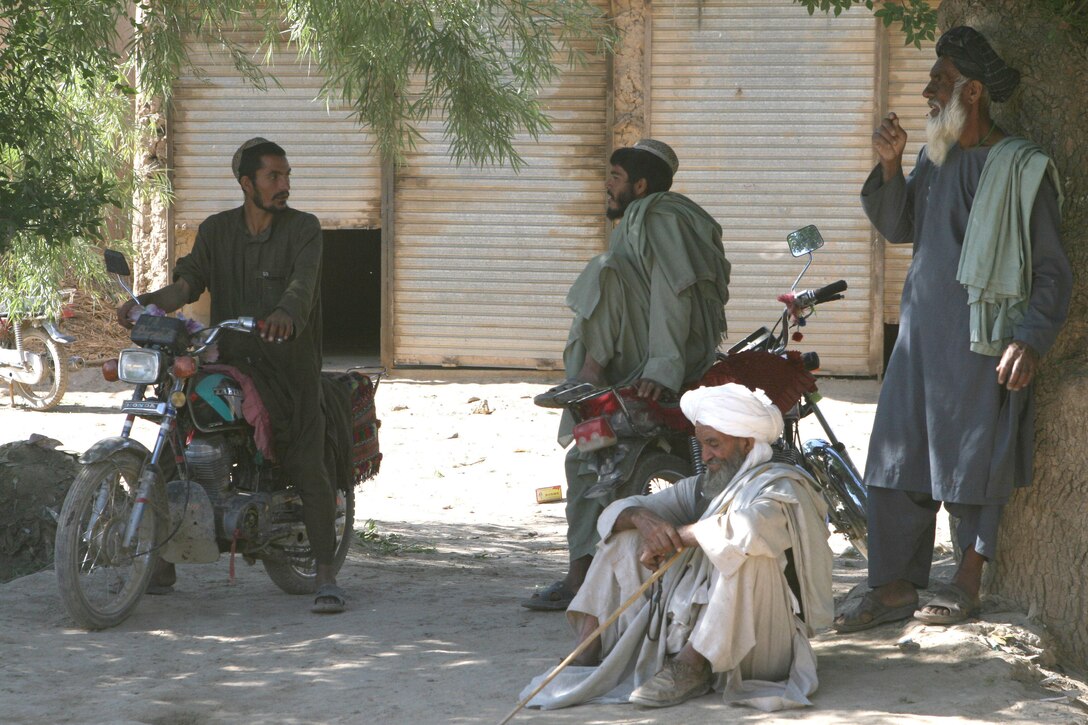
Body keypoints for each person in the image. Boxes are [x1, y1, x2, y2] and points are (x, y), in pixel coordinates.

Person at [834, 27, 1072, 632]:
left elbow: (1050, 270)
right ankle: (891, 587)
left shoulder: (1021, 169)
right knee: (896, 459)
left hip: (980, 343)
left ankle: (966, 578)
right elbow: (900, 224)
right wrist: (890, 167)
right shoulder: (933, 158)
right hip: (917, 342)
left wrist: (1030, 337)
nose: (926, 92)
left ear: (971, 91)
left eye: (938, 83)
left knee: (973, 465)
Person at [117, 138, 352, 614]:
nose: (284, 184)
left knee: (305, 459)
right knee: (176, 433)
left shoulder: (304, 229)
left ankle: (325, 572)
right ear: (247, 183)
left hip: (289, 369)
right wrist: (146, 303)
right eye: (273, 177)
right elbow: (187, 284)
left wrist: (285, 314)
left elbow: (301, 288)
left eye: (286, 176)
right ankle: (162, 560)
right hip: (228, 360)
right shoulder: (217, 231)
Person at [519, 383, 833, 711]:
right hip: (697, 626)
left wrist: (676, 538)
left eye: (714, 444)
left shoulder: (781, 486)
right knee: (623, 536)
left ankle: (691, 667)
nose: (705, 455)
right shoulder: (703, 487)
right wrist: (642, 519)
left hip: (762, 642)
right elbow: (612, 515)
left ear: (746, 443)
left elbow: (750, 529)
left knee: (748, 554)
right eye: (702, 444)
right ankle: (588, 650)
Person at [523, 139, 731, 611]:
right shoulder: (658, 218)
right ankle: (582, 577)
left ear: (640, 184)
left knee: (602, 268)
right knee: (586, 458)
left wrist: (662, 365)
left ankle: (591, 371)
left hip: (661, 356)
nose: (607, 188)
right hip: (651, 350)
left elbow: (673, 292)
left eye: (615, 178)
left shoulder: (657, 215)